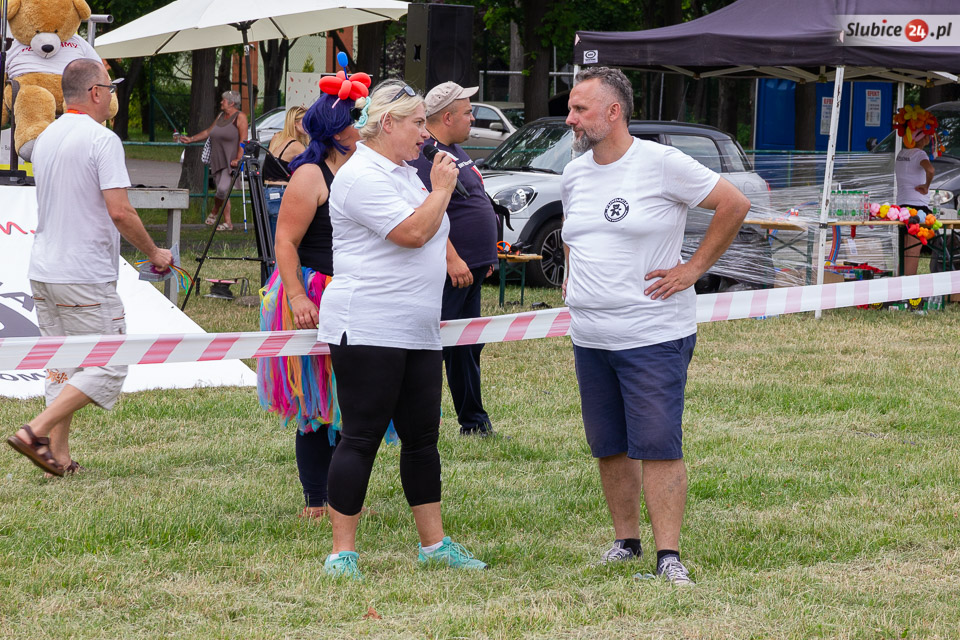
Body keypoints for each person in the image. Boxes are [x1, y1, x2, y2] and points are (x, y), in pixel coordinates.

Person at [560, 67, 750, 585]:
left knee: (658, 443)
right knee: (610, 444)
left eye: (580, 109)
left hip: (652, 335)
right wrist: (574, 280)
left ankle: (669, 555)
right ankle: (626, 542)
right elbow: (575, 235)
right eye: (572, 108)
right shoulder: (575, 173)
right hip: (590, 336)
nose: (571, 118)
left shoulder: (660, 163)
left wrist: (693, 269)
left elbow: (734, 203)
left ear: (613, 112)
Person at [317, 80, 487, 579]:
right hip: (369, 324)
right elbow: (412, 233)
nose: (424, 134)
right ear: (387, 124)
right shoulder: (360, 176)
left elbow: (430, 228)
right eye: (416, 124)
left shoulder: (406, 173)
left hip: (417, 325)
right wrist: (442, 190)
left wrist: (436, 191)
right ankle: (342, 554)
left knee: (422, 439)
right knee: (361, 437)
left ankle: (434, 546)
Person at [6, 59, 173, 477]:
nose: (113, 96)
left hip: (44, 269)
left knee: (64, 365)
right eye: (110, 88)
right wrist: (154, 253)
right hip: (85, 274)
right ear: (95, 92)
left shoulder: (46, 137)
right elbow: (120, 211)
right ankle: (35, 432)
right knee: (110, 364)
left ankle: (58, 457)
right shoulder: (102, 140)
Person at [257, 94, 359, 519]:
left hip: (355, 295)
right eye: (357, 120)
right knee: (316, 404)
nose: (363, 127)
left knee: (350, 402)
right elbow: (285, 242)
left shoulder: (361, 169)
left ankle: (344, 499)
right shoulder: (310, 175)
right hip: (313, 294)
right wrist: (298, 296)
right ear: (337, 132)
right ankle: (316, 502)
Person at [409, 82, 499, 437]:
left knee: (468, 346)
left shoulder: (455, 150)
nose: (473, 118)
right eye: (467, 113)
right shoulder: (426, 156)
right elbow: (427, 212)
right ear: (447, 117)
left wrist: (486, 255)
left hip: (472, 266)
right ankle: (433, 422)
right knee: (444, 346)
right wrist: (452, 258)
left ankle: (474, 421)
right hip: (452, 269)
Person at [179, 91, 248, 231]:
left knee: (222, 189)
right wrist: (191, 139)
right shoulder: (221, 116)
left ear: (231, 103)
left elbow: (243, 140)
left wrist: (238, 158)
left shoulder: (240, 117)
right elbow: (208, 132)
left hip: (230, 161)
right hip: (217, 160)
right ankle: (228, 223)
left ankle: (215, 210)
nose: (221, 102)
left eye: (224, 100)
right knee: (223, 192)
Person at [262, 106, 308, 242]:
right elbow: (314, 163)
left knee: (270, 237)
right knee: (282, 239)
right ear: (294, 123)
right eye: (305, 121)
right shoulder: (296, 146)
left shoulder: (276, 137)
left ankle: (271, 257)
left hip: (266, 191)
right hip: (281, 192)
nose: (308, 125)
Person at [895, 130, 936, 276]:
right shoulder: (920, 154)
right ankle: (908, 285)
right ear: (922, 138)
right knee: (913, 250)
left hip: (902, 207)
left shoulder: (901, 154)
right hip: (918, 208)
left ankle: (899, 282)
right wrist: (926, 185)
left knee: (905, 249)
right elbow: (930, 170)